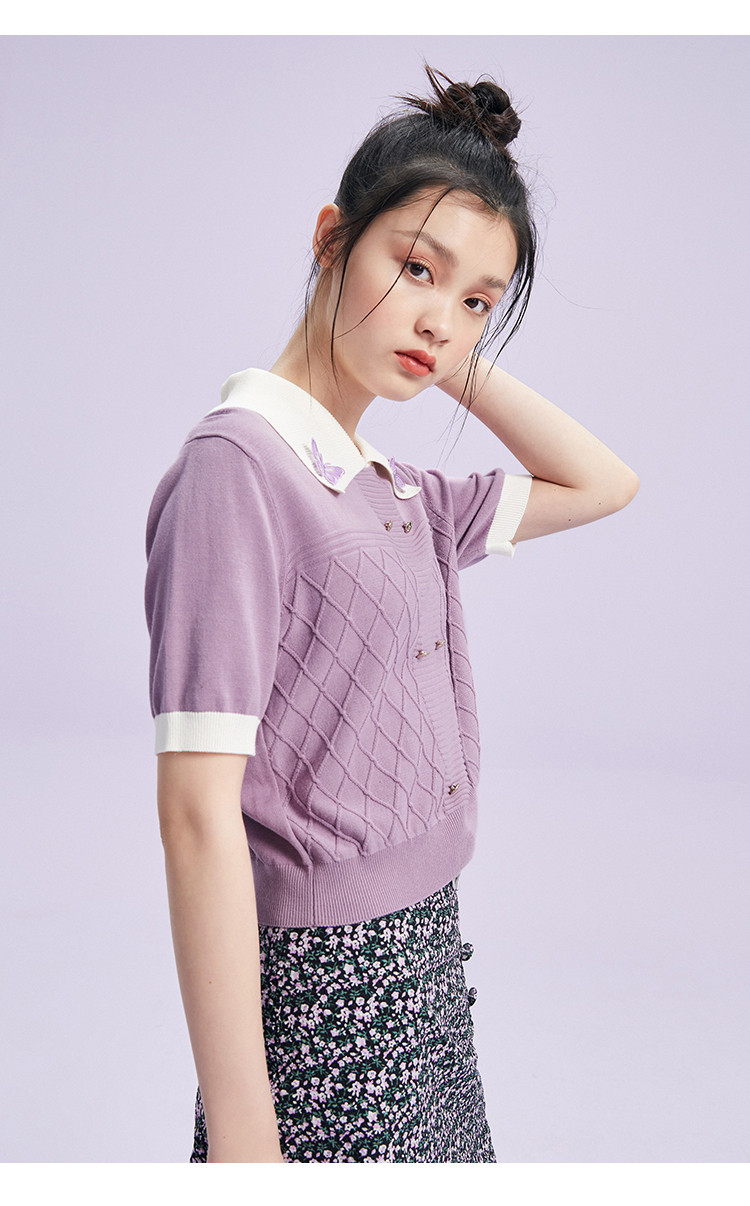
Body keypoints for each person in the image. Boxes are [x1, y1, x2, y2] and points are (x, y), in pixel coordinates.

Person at [144, 65, 638, 1164]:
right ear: (332, 239)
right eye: (415, 266)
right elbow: (195, 815)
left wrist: (441, 345)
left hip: (426, 964)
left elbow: (604, 482)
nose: (441, 319)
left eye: (478, 303)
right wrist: (244, 1133)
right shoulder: (240, 471)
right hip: (328, 997)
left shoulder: (396, 492)